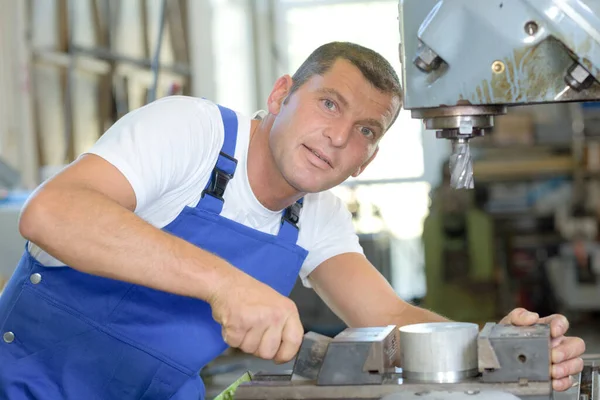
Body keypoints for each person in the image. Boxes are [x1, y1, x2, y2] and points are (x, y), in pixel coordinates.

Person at [0, 42, 585, 399]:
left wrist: (493, 347)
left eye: (365, 131)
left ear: (368, 160)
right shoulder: (192, 133)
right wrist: (227, 285)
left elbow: (388, 319)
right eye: (329, 103)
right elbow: (53, 213)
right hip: (30, 385)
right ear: (282, 94)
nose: (338, 137)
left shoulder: (318, 218)